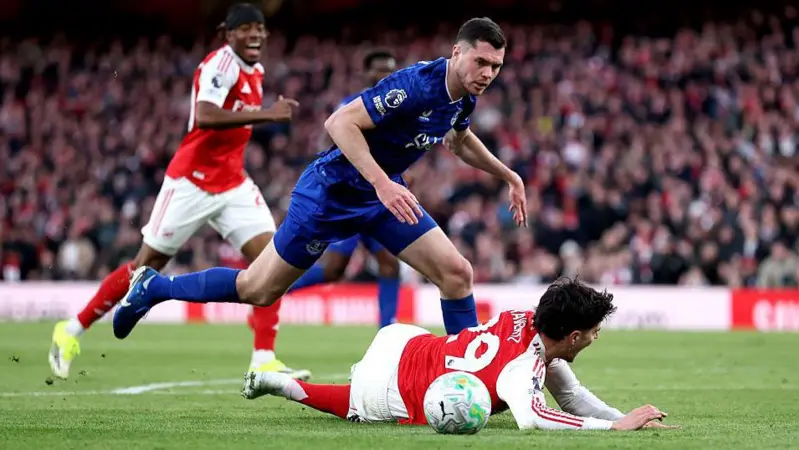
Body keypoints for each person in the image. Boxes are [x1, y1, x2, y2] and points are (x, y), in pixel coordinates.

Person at [112, 17, 528, 341]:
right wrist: (383, 183)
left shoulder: (464, 98)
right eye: (481, 62)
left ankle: (466, 373)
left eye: (495, 66)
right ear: (457, 52)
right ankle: (155, 287)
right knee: (258, 289)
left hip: (380, 196)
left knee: (457, 274)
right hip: (330, 193)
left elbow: (459, 140)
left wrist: (509, 175)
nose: (488, 73)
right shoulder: (415, 86)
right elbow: (339, 123)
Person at [49, 3, 310, 381]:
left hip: (233, 182)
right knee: (144, 267)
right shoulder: (220, 65)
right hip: (192, 181)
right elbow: (205, 115)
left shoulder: (256, 70)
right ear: (228, 34)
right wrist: (268, 114)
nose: (255, 33)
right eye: (246, 28)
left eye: (260, 28)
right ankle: (72, 328)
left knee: (272, 260)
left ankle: (263, 359)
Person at [242, 278, 679, 431]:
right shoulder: (523, 367)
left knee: (358, 391)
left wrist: (624, 418)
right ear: (573, 336)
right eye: (594, 332)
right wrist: (610, 429)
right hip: (391, 387)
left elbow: (571, 396)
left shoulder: (525, 319)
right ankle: (286, 385)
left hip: (401, 340)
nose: (596, 338)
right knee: (353, 405)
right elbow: (533, 417)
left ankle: (276, 381)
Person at [285, 49, 402, 328]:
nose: (386, 75)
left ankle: (387, 329)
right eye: (380, 69)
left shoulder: (401, 108)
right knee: (334, 269)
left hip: (377, 200)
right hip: (347, 198)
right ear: (366, 73)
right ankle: (276, 291)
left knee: (390, 263)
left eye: (391, 70)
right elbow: (333, 143)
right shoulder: (352, 105)